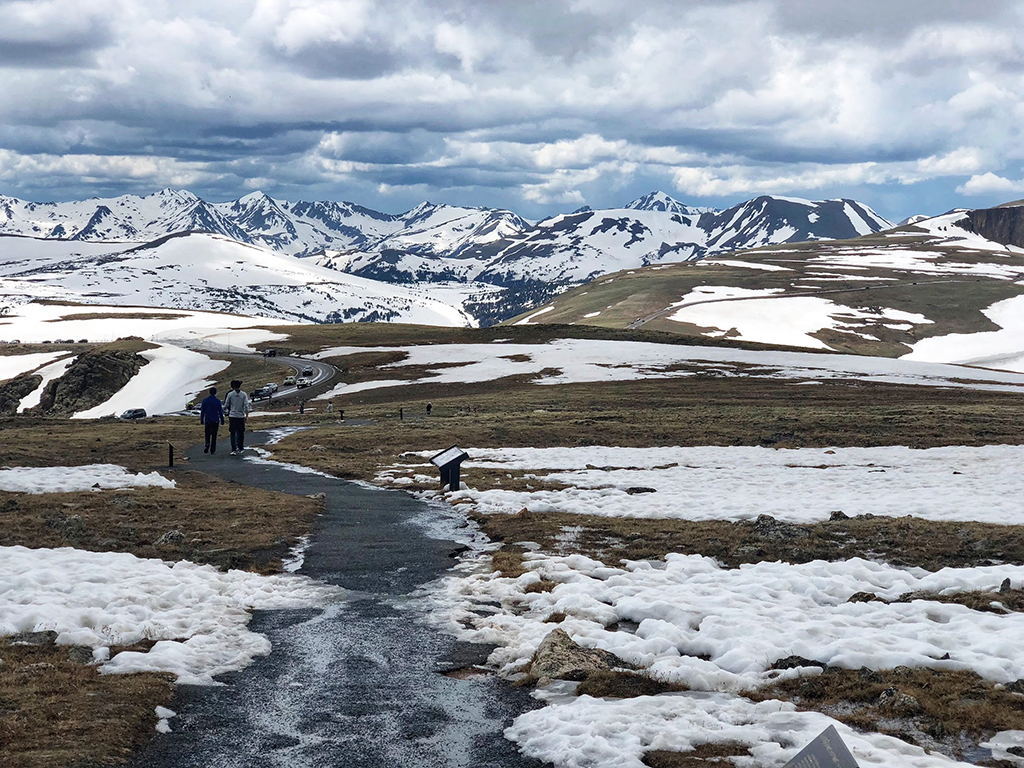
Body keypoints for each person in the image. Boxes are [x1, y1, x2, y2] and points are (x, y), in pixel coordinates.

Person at [224, 379, 252, 455]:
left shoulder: (230, 394)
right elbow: (246, 406)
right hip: (240, 416)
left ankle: (233, 449)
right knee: (241, 432)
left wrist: (226, 410)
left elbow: (226, 405)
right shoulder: (244, 394)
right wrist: (246, 415)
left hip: (232, 416)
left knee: (233, 433)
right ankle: (240, 447)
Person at [199, 387, 224, 454]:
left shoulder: (205, 401)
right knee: (214, 435)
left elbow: (202, 411)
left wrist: (201, 419)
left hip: (207, 420)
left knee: (207, 434)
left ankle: (207, 444)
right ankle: (212, 449)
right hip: (215, 420)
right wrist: (222, 420)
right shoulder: (218, 401)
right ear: (215, 392)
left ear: (209, 392)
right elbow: (220, 412)